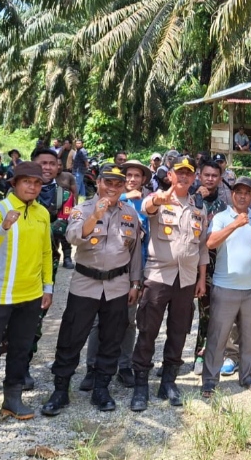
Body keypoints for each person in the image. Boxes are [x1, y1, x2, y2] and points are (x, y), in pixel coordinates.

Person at [42, 164, 142, 416]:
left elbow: (135, 253)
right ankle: (60, 389)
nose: (113, 188)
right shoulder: (82, 209)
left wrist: (135, 283)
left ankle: (101, 388)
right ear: (98, 183)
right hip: (85, 284)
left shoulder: (130, 213)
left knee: (112, 338)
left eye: (118, 184)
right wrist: (96, 215)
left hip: (117, 286)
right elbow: (73, 237)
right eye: (108, 182)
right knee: (71, 337)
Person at [0, 162, 53, 434]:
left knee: (20, 348)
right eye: (27, 181)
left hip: (30, 295)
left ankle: (12, 398)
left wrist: (48, 287)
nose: (32, 186)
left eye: (37, 182)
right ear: (14, 184)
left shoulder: (42, 213)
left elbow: (46, 253)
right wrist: (4, 227)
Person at [130, 156, 209, 411]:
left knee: (178, 331)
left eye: (188, 173)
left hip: (186, 280)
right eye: (179, 173)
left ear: (193, 177)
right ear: (170, 176)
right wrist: (157, 199)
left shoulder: (199, 208)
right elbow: (146, 207)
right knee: (148, 330)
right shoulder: (160, 199)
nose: (184, 177)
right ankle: (141, 384)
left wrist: (201, 279)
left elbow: (203, 246)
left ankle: (168, 381)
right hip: (158, 277)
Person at [78, 158, 151, 392]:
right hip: (101, 273)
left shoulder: (149, 203)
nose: (130, 180)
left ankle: (125, 365)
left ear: (143, 180)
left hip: (132, 270)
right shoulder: (103, 201)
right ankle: (92, 367)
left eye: (136, 176)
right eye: (126, 176)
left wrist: (137, 281)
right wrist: (120, 197)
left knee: (129, 322)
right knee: (98, 323)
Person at [201, 177, 251, 397]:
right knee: (218, 337)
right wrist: (235, 224)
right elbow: (210, 243)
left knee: (249, 338)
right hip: (224, 287)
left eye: (247, 193)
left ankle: (247, 377)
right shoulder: (220, 218)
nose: (242, 196)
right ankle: (209, 380)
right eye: (238, 191)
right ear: (231, 194)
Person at [29, 147, 75, 389]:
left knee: (37, 313)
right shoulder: (19, 191)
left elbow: (65, 225)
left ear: (58, 167)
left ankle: (24, 363)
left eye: (51, 163)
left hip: (48, 262)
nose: (47, 167)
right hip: (16, 264)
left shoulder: (63, 194)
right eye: (42, 163)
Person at [191, 160, 229, 374]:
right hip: (186, 265)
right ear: (199, 176)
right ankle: (173, 356)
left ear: (220, 179)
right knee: (182, 313)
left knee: (209, 313)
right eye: (206, 175)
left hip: (212, 268)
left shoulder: (225, 207)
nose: (210, 179)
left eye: (215, 176)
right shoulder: (189, 200)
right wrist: (198, 199)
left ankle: (202, 354)